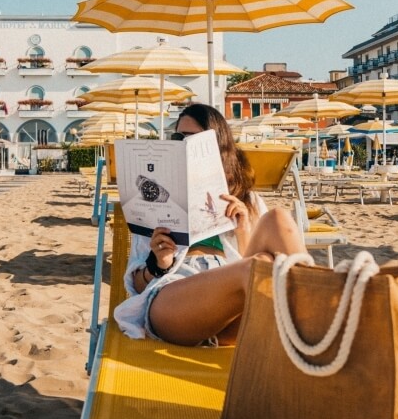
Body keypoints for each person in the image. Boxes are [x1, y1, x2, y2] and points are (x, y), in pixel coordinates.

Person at [114, 103, 306, 347]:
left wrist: (244, 230)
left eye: (191, 138)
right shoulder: (155, 203)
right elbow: (138, 287)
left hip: (231, 306)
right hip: (173, 298)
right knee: (258, 269)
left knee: (279, 219)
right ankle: (315, 325)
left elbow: (254, 265)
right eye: (178, 137)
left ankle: (313, 313)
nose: (183, 144)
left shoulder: (247, 201)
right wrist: (159, 264)